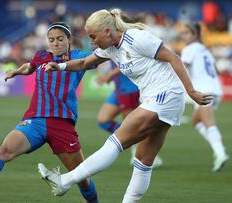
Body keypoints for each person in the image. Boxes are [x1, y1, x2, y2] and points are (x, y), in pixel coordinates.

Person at [37, 9, 212, 203]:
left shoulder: (136, 39)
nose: (92, 41)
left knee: (115, 142)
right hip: (158, 99)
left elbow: (174, 58)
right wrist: (59, 66)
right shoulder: (110, 47)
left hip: (165, 95)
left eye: (93, 36)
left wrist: (191, 91)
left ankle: (65, 181)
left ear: (107, 31)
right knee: (142, 162)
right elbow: (85, 62)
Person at [0, 22, 99, 203]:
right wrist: (16, 72)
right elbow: (29, 67)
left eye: (60, 39)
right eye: (51, 40)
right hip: (35, 120)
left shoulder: (78, 57)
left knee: (82, 179)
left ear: (69, 40)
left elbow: (98, 57)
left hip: (62, 124)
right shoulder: (42, 56)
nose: (55, 43)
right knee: (4, 151)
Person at [180, 22, 229, 172]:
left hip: (204, 91)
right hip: (215, 89)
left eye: (187, 32)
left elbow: (182, 68)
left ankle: (220, 152)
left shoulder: (189, 49)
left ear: (195, 35)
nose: (183, 35)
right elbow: (216, 70)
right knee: (196, 122)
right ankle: (218, 145)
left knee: (209, 124)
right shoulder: (205, 50)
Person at [96, 61, 163, 167]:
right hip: (119, 88)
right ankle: (133, 142)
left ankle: (146, 154)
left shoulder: (121, 45)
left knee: (133, 125)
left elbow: (127, 63)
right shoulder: (108, 48)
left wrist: (110, 75)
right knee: (103, 120)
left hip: (129, 88)